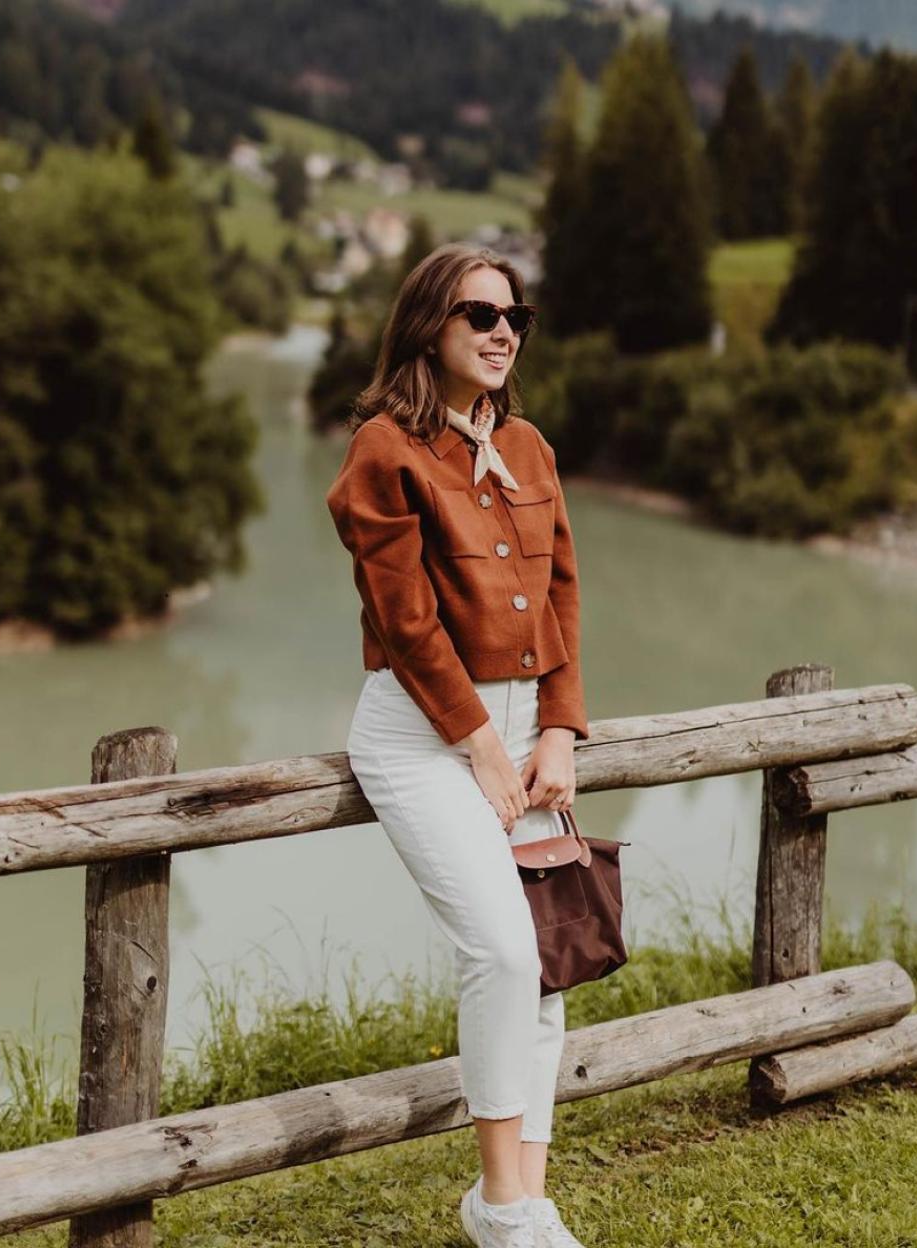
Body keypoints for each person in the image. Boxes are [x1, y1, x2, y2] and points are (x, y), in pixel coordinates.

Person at [325, 243, 591, 1248]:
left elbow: (561, 589)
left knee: (550, 965)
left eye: (514, 317)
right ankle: (504, 1211)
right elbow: (405, 622)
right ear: (428, 326)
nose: (501, 333)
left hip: (526, 735)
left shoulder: (529, 446)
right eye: (478, 314)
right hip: (421, 737)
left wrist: (558, 729)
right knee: (502, 950)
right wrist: (484, 747)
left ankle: (518, 1197)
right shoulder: (383, 450)